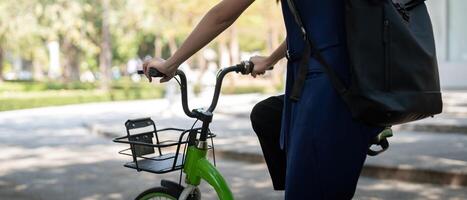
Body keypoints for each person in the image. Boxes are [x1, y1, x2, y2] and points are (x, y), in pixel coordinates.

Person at [143, 0, 382, 199]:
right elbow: (314, 26)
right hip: (349, 82)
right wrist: (270, 59)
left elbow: (222, 15)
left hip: (328, 90)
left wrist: (170, 64)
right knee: (266, 115)